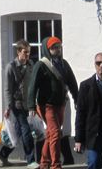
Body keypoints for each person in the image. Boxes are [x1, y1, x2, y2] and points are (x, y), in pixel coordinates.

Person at [27, 36, 79, 169]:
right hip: (47, 105)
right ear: (47, 49)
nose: (57, 49)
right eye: (54, 48)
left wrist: (76, 98)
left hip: (60, 104)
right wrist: (31, 105)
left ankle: (44, 163)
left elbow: (72, 82)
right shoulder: (41, 65)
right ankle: (56, 165)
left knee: (51, 134)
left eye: (58, 47)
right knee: (55, 133)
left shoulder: (64, 64)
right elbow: (32, 86)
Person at [0, 39, 38, 168]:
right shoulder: (11, 67)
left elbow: (33, 85)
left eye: (29, 52)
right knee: (26, 130)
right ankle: (31, 160)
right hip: (17, 105)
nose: (27, 55)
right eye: (25, 52)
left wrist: (35, 102)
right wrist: (8, 106)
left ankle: (3, 154)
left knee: (17, 133)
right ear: (18, 52)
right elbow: (7, 89)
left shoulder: (31, 65)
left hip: (28, 104)